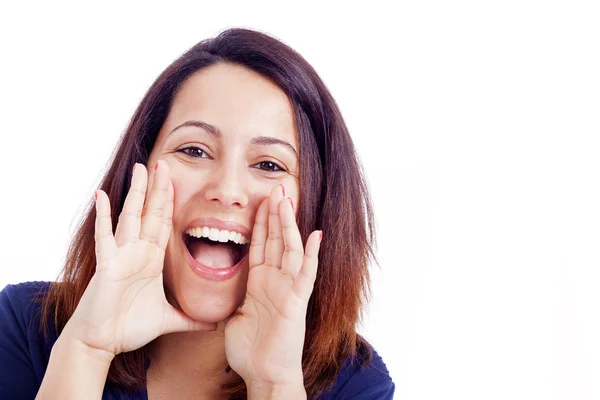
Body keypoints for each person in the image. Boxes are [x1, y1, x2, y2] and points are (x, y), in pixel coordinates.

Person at [0, 27, 394, 399]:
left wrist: (274, 384)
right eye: (194, 150)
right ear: (137, 169)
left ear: (320, 202)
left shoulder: (356, 383)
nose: (226, 191)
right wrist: (87, 348)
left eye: (269, 165)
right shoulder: (25, 326)